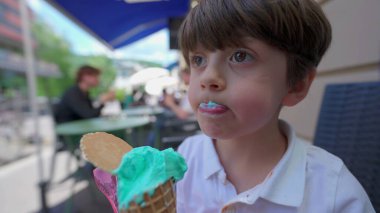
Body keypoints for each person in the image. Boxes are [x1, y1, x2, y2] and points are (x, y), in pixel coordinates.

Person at [175, 0, 375, 212]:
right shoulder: (187, 155)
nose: (207, 77)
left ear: (296, 85)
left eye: (240, 56)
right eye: (198, 60)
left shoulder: (336, 195)